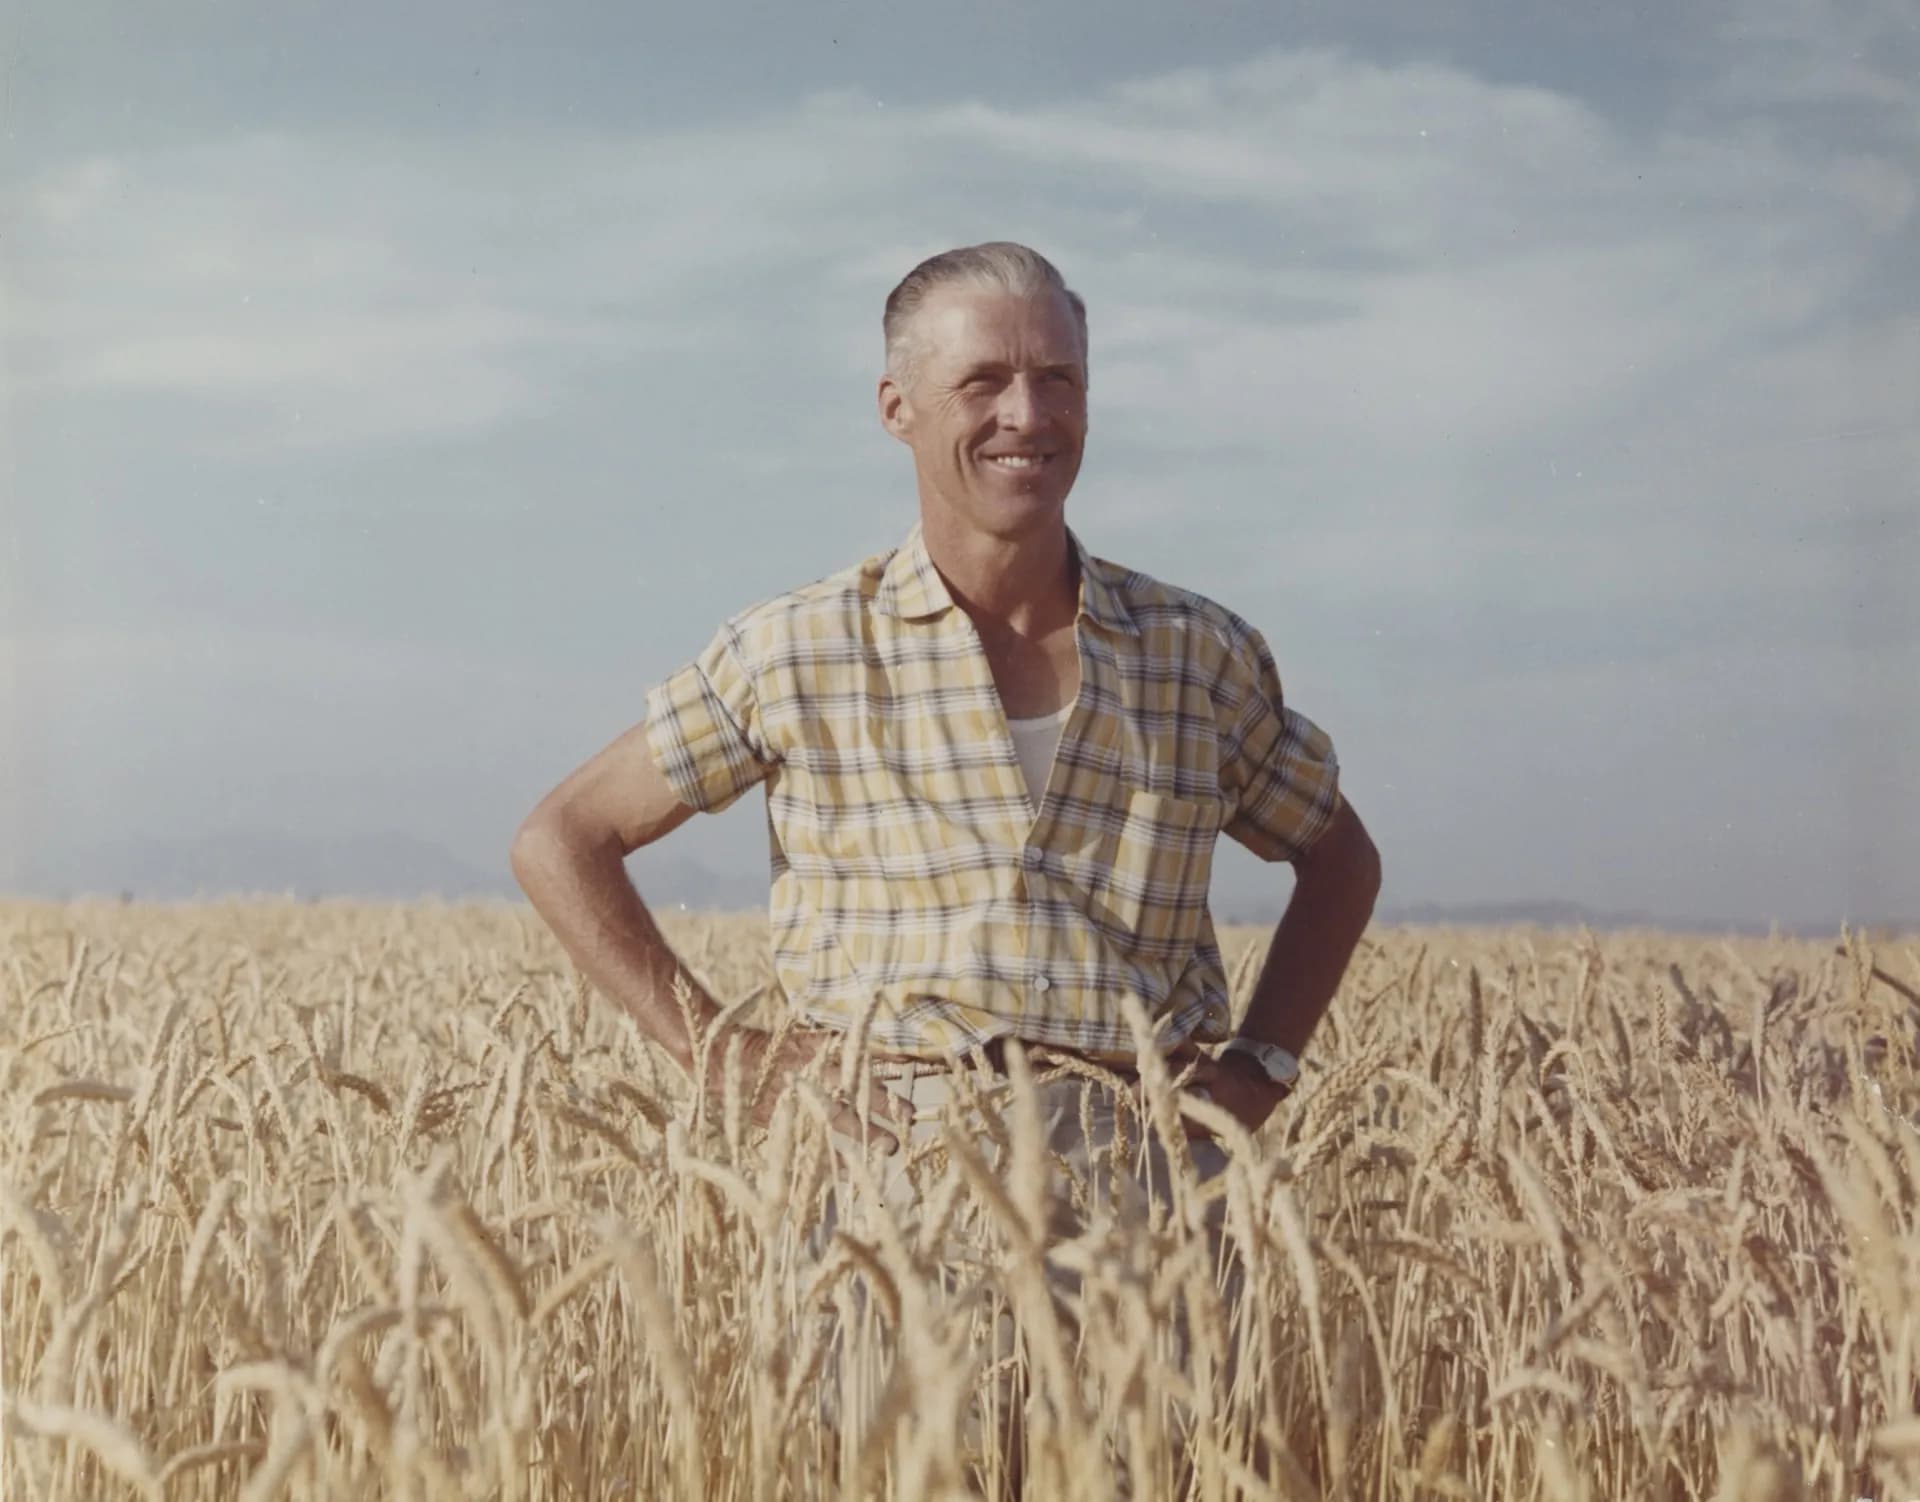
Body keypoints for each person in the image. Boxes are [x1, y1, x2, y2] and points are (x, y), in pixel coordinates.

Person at [510, 240, 1382, 1464]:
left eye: (1059, 379)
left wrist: (1262, 1067)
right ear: (897, 408)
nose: (1028, 414)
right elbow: (564, 836)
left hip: (1147, 1177)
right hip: (885, 1184)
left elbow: (1340, 859)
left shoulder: (1200, 651)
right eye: (984, 382)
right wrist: (730, 1056)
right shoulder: (801, 646)